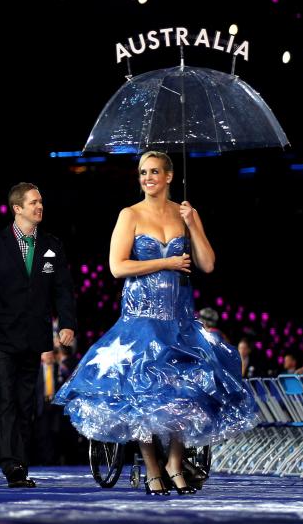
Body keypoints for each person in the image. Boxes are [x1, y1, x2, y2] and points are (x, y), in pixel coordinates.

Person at [54, 151, 256, 495]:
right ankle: (152, 468)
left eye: (154, 171)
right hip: (140, 319)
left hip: (179, 320)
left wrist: (193, 224)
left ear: (169, 176)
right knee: (142, 396)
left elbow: (207, 264)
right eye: (142, 172)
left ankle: (175, 463)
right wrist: (168, 263)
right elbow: (118, 267)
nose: (147, 177)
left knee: (183, 393)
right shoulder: (129, 214)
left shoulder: (184, 213)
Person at [0, 182, 77, 488]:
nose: (39, 207)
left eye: (41, 202)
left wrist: (67, 323)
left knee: (25, 402)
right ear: (17, 208)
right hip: (1, 335)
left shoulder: (52, 245)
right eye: (33, 203)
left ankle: (21, 462)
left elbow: (63, 290)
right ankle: (10, 463)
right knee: (6, 398)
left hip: (33, 335)